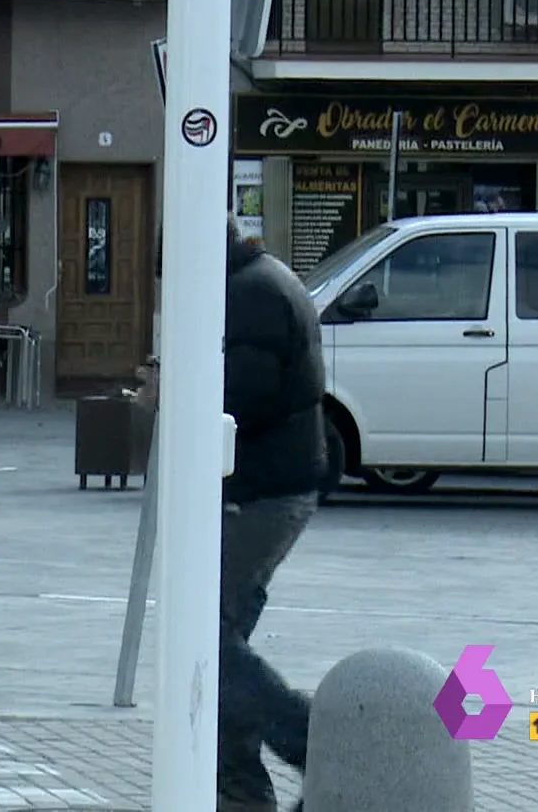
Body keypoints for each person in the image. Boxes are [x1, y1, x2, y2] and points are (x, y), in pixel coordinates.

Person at [219, 220, 327, 812]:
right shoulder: (263, 281)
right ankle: (238, 793)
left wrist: (181, 385)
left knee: (208, 646)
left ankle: (312, 741)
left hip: (260, 490)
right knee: (219, 647)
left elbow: (245, 396)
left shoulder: (252, 293)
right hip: (270, 485)